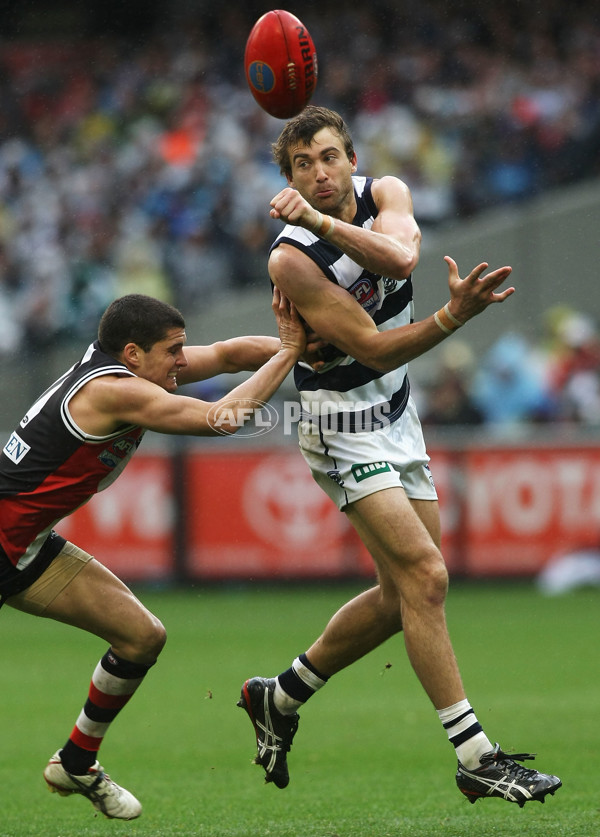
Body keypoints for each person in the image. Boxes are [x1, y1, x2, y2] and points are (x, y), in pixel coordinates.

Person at [237, 106, 562, 807]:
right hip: (340, 422)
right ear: (287, 178)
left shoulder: (388, 193)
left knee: (400, 598)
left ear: (352, 159)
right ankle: (476, 755)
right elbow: (376, 345)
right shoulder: (290, 258)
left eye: (329, 156)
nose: (319, 173)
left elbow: (402, 258)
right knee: (427, 575)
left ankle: (279, 695)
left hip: (397, 412)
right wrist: (450, 318)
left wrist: (328, 220)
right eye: (302, 165)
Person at [0, 291, 306, 820]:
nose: (184, 362)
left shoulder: (129, 371)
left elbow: (231, 353)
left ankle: (77, 760)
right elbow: (224, 418)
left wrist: (308, 346)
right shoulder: (115, 393)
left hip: (23, 549)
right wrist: (290, 352)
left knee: (142, 637)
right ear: (133, 354)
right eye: (174, 351)